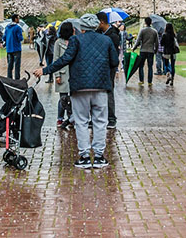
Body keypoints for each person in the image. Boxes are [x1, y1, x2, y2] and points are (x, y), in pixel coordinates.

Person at [35, 13, 117, 169]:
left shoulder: (75, 40)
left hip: (80, 87)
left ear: (82, 27)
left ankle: (85, 156)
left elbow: (64, 59)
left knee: (81, 122)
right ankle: (99, 156)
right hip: (100, 86)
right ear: (96, 25)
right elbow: (114, 61)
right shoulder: (106, 40)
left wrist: (46, 70)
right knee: (100, 122)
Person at [100, 15, 121, 128]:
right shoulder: (99, 33)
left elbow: (114, 55)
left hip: (109, 67)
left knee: (109, 91)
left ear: (102, 22)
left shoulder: (113, 35)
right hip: (99, 67)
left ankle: (111, 118)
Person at [54, 21, 75, 125]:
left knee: (72, 98)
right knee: (62, 98)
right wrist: (57, 75)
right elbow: (56, 59)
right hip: (62, 73)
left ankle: (70, 118)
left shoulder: (74, 41)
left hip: (72, 74)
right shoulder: (58, 42)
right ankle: (60, 117)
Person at [133, 17, 159, 85]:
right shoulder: (154, 31)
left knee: (141, 66)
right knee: (150, 67)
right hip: (151, 51)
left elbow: (138, 41)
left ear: (145, 22)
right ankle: (150, 81)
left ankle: (141, 80)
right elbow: (157, 43)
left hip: (143, 50)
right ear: (151, 22)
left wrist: (134, 48)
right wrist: (155, 50)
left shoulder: (142, 31)